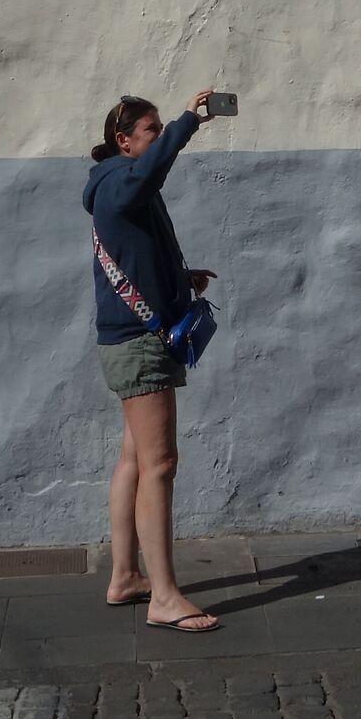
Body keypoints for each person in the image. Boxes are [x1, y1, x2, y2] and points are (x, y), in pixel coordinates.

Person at [84, 90, 221, 633]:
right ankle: (164, 597)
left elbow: (136, 254)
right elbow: (148, 175)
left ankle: (125, 577)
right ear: (124, 140)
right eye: (152, 130)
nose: (159, 136)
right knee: (160, 465)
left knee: (134, 461)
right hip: (139, 344)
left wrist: (179, 281)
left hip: (131, 338)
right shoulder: (121, 181)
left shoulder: (117, 185)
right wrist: (188, 123)